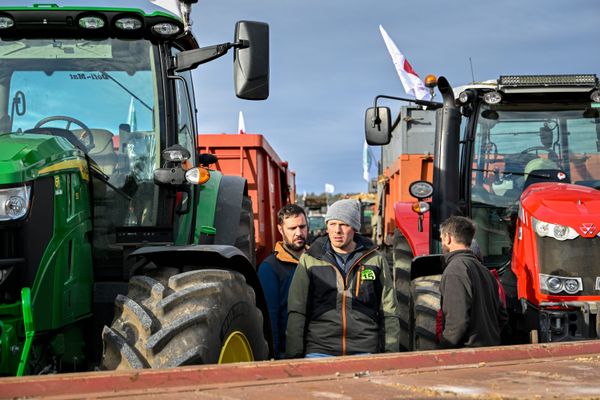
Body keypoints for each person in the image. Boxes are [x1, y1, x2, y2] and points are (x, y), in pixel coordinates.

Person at [286, 199, 399, 358]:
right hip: (320, 350)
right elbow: (297, 310)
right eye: (332, 224)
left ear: (354, 228)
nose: (337, 231)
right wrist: (294, 356)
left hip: (364, 350)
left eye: (344, 224)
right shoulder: (310, 260)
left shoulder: (375, 260)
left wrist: (390, 354)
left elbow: (389, 311)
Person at [438, 215, 508, 348]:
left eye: (442, 239)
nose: (442, 243)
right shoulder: (486, 272)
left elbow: (457, 322)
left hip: (465, 356)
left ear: (448, 238)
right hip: (489, 352)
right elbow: (502, 316)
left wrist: (443, 350)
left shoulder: (455, 270)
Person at [258, 204, 308, 359]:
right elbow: (270, 317)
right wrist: (275, 356)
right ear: (281, 230)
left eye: (302, 226)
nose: (299, 233)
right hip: (288, 354)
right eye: (292, 228)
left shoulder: (318, 261)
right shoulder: (270, 268)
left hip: (318, 349)